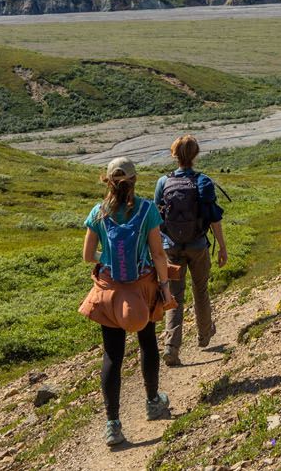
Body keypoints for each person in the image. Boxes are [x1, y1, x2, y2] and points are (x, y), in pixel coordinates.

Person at [78, 156, 176, 448]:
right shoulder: (147, 210)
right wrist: (164, 287)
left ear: (107, 181)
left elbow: (86, 256)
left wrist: (107, 262)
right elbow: (159, 254)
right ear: (134, 181)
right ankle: (153, 402)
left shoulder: (98, 212)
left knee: (112, 356)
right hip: (142, 288)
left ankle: (112, 424)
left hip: (109, 291)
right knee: (147, 343)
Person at [154, 135, 228, 367]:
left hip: (171, 247)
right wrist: (222, 247)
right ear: (195, 155)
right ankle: (204, 334)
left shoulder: (162, 183)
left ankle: (171, 347)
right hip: (198, 246)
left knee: (174, 296)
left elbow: (157, 219)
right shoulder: (203, 182)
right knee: (201, 289)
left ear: (174, 155)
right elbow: (214, 218)